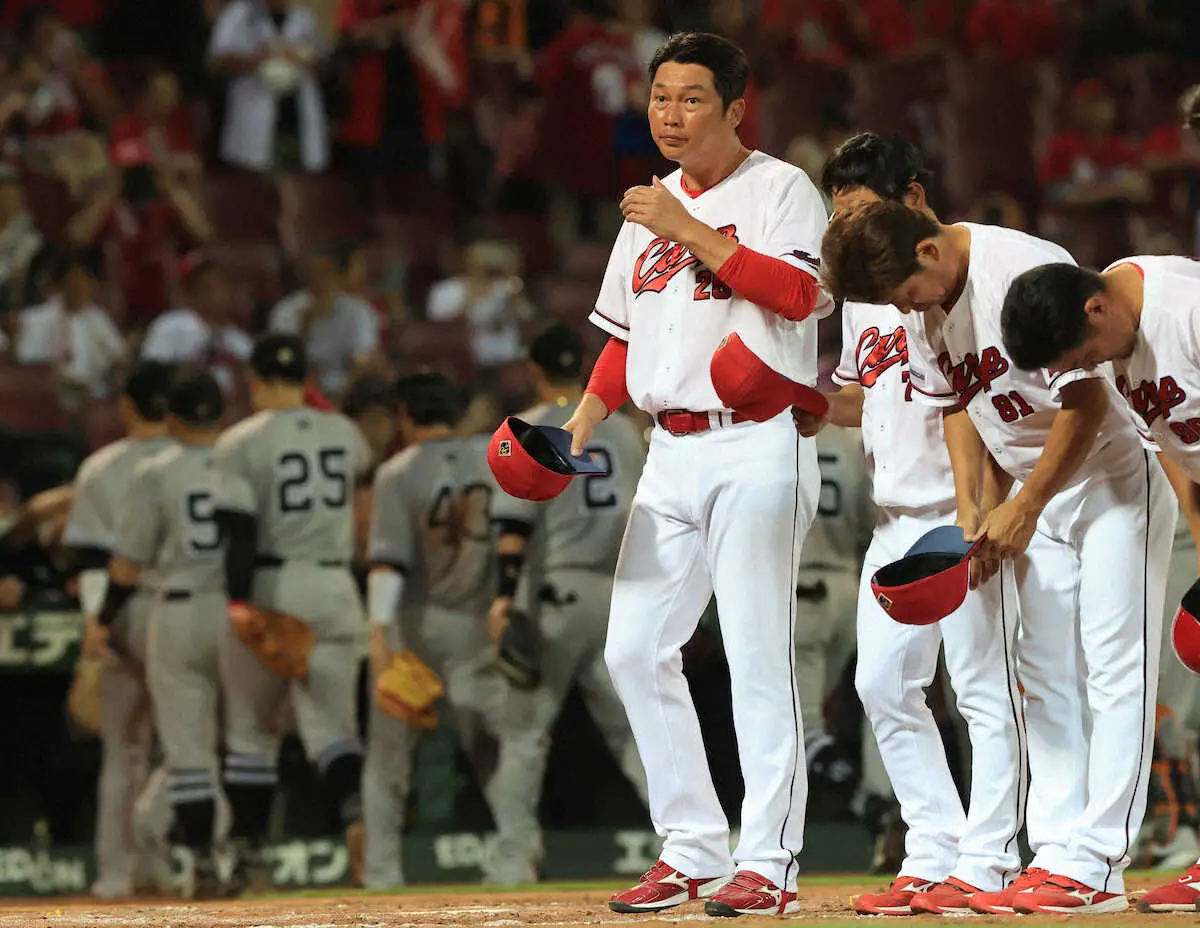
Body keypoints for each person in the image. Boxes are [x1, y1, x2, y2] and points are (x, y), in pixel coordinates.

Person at [819, 199, 1174, 914]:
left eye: (905, 295)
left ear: (927, 252)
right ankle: (1057, 851)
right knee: (1041, 677)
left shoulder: (1018, 268)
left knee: (1113, 668)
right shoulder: (926, 301)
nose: (905, 310)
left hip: (1105, 481)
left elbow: (1087, 405)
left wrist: (1025, 504)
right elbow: (958, 403)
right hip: (1023, 494)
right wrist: (974, 506)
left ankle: (1100, 861)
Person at [562, 32, 831, 916]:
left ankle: (771, 861)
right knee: (632, 649)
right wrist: (586, 415)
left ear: (735, 107)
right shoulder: (649, 207)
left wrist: (685, 228)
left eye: (691, 99)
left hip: (758, 441)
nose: (670, 115)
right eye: (660, 97)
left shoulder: (780, 188)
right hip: (667, 449)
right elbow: (622, 334)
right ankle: (691, 848)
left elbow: (799, 297)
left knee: (758, 658)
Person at [796, 132, 1026, 916]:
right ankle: (932, 849)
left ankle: (990, 860)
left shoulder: (958, 281)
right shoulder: (865, 293)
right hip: (893, 513)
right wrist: (809, 405)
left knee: (985, 694)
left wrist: (985, 511)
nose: (849, 234)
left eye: (862, 213)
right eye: (840, 217)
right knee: (882, 686)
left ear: (915, 200)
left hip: (962, 512)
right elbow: (870, 396)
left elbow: (987, 402)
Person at [998, 254, 1200, 912]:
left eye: (1075, 357)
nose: (1074, 374)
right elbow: (1174, 449)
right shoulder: (1117, 326)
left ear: (1095, 308)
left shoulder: (1186, 311)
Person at [486, 323, 650, 882]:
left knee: (525, 733)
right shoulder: (624, 432)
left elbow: (512, 525)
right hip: (619, 592)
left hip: (556, 594)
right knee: (635, 730)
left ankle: (513, 860)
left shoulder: (530, 426)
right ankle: (689, 841)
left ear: (534, 369)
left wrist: (503, 599)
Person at [213, 334, 372, 889]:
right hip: (336, 585)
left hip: (275, 582)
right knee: (334, 728)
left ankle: (249, 855)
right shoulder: (344, 432)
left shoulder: (240, 441)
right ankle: (357, 815)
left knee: (252, 732)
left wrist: (236, 601)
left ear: (254, 381)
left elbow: (237, 532)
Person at [97, 369, 238, 898]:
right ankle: (236, 858)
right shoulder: (241, 462)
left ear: (172, 419)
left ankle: (200, 860)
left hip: (176, 610)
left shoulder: (155, 471)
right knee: (242, 744)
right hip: (235, 608)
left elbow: (127, 566)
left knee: (187, 748)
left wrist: (103, 619)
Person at [62, 360, 175, 899]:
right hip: (181, 606)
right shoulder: (198, 462)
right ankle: (162, 857)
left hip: (119, 609)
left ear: (127, 405)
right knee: (192, 745)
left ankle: (115, 874)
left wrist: (95, 622)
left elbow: (88, 558)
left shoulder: (101, 467)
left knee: (122, 750)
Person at [208, 0, 330, 172]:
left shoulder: (304, 17)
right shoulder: (239, 14)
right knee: (259, 190)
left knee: (300, 187)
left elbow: (322, 64)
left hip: (298, 125)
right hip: (255, 123)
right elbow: (218, 62)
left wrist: (302, 57)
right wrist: (260, 58)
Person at [269, 242, 382, 399]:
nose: (320, 279)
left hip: (344, 389)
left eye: (327, 273)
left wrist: (345, 391)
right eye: (315, 272)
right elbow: (281, 358)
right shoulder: (287, 310)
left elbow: (363, 360)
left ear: (341, 277)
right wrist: (305, 325)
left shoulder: (358, 311)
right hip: (298, 387)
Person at [140, 259, 253, 395]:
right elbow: (149, 374)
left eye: (223, 286)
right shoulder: (171, 326)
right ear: (193, 293)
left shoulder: (239, 340)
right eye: (208, 287)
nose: (219, 294)